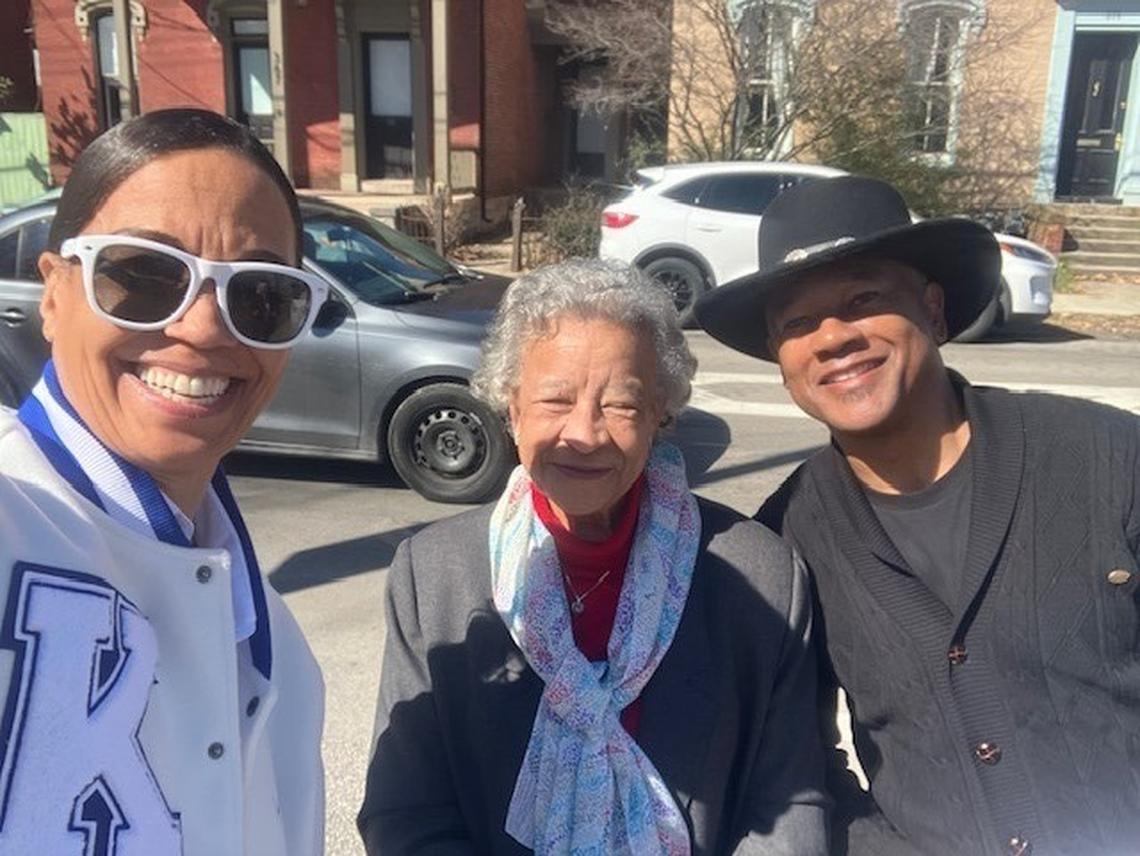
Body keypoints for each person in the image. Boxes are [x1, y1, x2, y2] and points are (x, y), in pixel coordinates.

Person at [695, 175, 1140, 856]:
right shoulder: (785, 541)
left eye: (864, 299)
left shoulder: (1110, 458)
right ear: (780, 358)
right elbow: (797, 763)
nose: (833, 337)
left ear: (933, 311)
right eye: (797, 322)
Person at [357, 259, 829, 854]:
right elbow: (405, 809)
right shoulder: (433, 575)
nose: (584, 432)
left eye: (622, 404)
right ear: (511, 405)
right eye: (555, 399)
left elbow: (790, 801)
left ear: (661, 413)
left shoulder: (762, 577)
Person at [0, 109, 327, 854]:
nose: (207, 328)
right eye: (143, 275)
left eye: (260, 296)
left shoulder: (282, 651)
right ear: (52, 294)